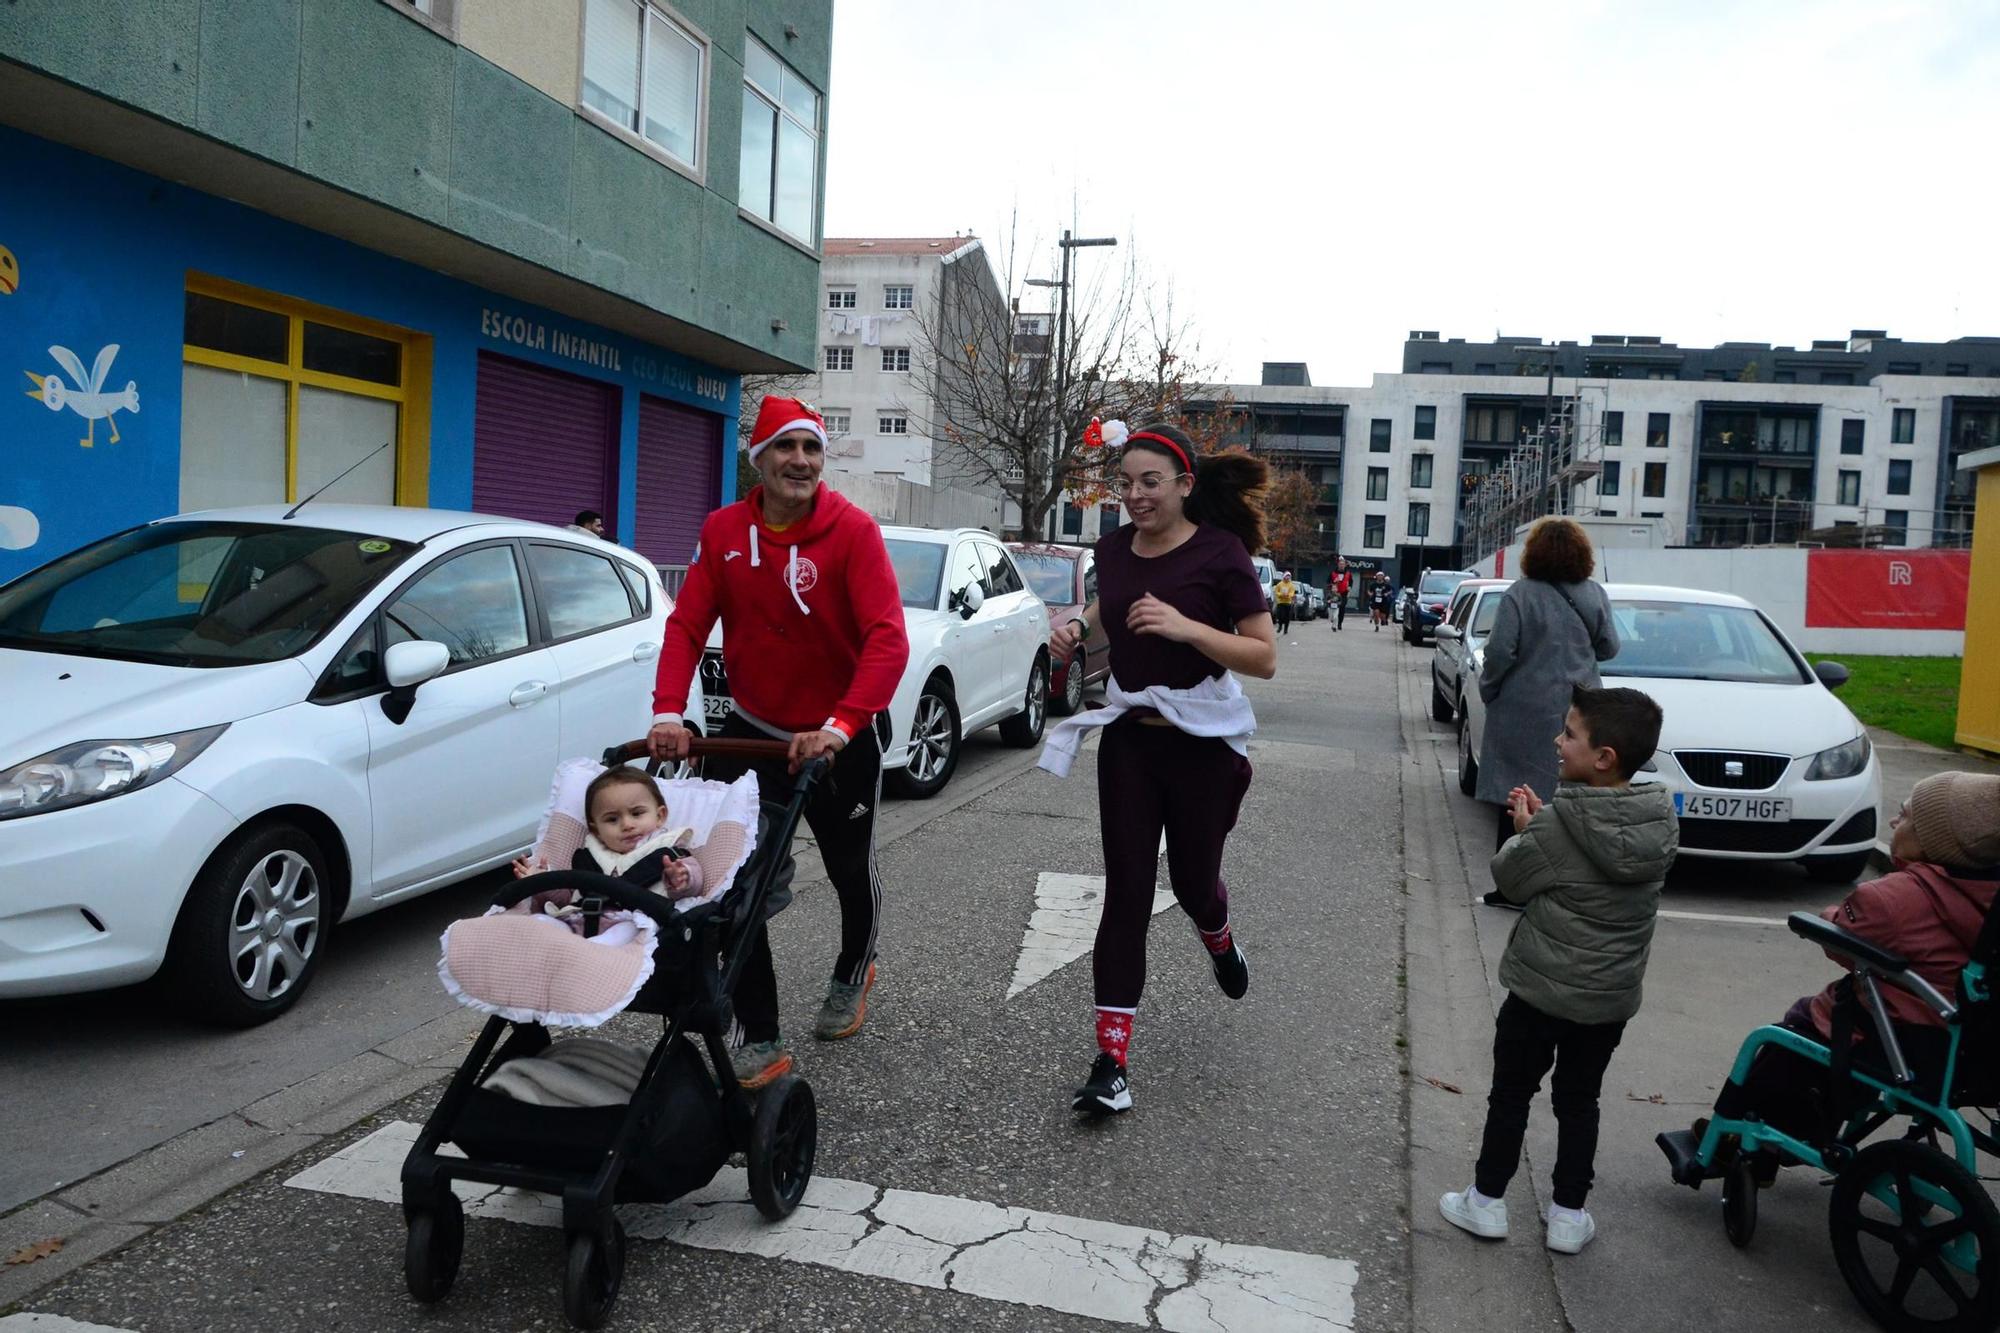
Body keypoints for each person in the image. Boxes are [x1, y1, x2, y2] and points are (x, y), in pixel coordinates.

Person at [646, 395, 911, 1089]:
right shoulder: (724, 530)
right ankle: (759, 1033)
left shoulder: (852, 532)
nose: (800, 460)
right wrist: (669, 711)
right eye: (785, 448)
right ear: (759, 460)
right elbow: (687, 624)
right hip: (753, 731)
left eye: (811, 448)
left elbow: (887, 639)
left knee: (849, 867)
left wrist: (841, 725)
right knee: (733, 877)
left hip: (840, 733)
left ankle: (854, 969)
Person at [1040, 421, 1277, 1117]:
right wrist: (1079, 628)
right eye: (1126, 483)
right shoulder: (1113, 549)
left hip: (1202, 746)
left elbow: (1263, 654)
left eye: (1151, 482)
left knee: (1195, 885)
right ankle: (1111, 1062)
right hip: (1131, 744)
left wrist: (1186, 628)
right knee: (1127, 895)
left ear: (1184, 485)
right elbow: (1112, 605)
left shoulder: (1220, 553)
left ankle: (1219, 937)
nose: (1136, 495)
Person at [1440, 685, 1676, 1256]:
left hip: (1539, 993)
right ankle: (1569, 1214)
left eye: (1570, 734)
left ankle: (1487, 1201)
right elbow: (1596, 851)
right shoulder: (1658, 820)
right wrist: (1544, 831)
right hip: (1608, 999)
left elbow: (1511, 879)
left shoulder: (1558, 825)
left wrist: (1528, 833)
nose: (1557, 740)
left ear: (1604, 757)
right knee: (1579, 1100)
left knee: (1512, 1093)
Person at [1692, 773, 2000, 1154]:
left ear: (1934, 841)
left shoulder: (1894, 898)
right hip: (1975, 1050)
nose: (1894, 822)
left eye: (1904, 816)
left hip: (1903, 1040)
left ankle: (1743, 1133)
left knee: (1795, 1029)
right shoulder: (1990, 899)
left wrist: (1828, 915)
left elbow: (1840, 942)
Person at [1476, 518, 1619, 907]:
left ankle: (1511, 886)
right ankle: (1563, 886)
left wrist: (1491, 689)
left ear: (1533, 553)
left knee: (1515, 796)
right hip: (1580, 712)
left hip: (1522, 710)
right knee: (1568, 799)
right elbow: (1609, 648)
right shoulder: (1594, 594)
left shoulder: (1519, 595)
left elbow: (1500, 652)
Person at [511, 766, 707, 924]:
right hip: (582, 922)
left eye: (637, 813)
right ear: (596, 830)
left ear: (660, 816)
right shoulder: (589, 858)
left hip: (635, 924)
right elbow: (567, 899)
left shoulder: (669, 852)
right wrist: (542, 881)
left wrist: (681, 878)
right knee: (540, 923)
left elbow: (696, 883)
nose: (627, 825)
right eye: (612, 819)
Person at [1330, 562, 1351, 632]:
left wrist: (1350, 587)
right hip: (1334, 594)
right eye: (1340, 564)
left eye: (1343, 564)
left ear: (1345, 565)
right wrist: (1333, 582)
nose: (1341, 566)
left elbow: (1351, 581)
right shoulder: (1333, 573)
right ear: (1338, 565)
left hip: (1344, 593)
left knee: (1342, 607)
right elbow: (1328, 582)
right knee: (1334, 608)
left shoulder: (1348, 573)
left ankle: (1339, 623)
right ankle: (1333, 620)